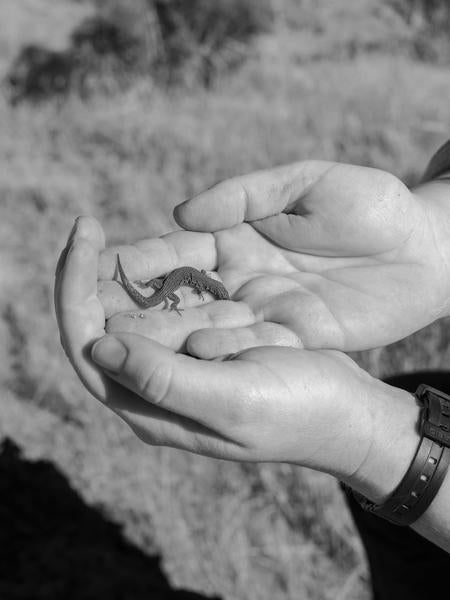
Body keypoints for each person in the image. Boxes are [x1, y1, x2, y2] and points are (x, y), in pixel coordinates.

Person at [55, 142, 450, 599]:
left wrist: (377, 447)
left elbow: (185, 289)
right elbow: (185, 287)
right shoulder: (195, 283)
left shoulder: (195, 286)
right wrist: (436, 233)